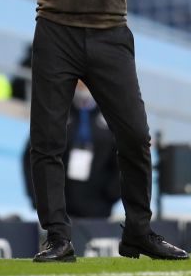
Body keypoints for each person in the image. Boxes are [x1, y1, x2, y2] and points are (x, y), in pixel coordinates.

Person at [28, 0, 189, 262]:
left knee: (135, 134)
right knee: (46, 139)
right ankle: (58, 237)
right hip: (56, 28)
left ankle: (138, 230)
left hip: (109, 30)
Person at [23, 81, 121, 218]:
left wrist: (112, 194)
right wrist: (38, 197)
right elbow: (32, 155)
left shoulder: (112, 115)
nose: (83, 85)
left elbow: (123, 158)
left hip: (99, 208)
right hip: (58, 207)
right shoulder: (54, 111)